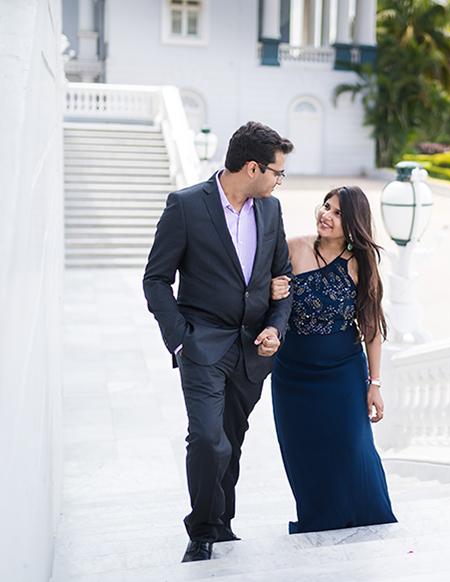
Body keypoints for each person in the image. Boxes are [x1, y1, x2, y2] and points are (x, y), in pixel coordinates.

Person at [143, 121, 294, 563]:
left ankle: (222, 523)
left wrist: (275, 328)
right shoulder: (186, 206)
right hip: (202, 345)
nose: (279, 181)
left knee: (231, 439)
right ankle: (202, 531)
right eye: (277, 172)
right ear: (253, 168)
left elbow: (282, 278)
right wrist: (180, 340)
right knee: (209, 440)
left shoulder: (271, 210)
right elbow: (156, 279)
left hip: (252, 350)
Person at [269, 185, 397, 534]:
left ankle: (368, 518)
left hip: (342, 374)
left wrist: (374, 384)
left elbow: (371, 327)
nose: (326, 215)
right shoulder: (292, 248)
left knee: (353, 447)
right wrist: (271, 290)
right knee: (302, 451)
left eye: (338, 212)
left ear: (353, 222)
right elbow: (263, 297)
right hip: (292, 376)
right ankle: (319, 520)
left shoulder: (360, 264)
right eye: (326, 206)